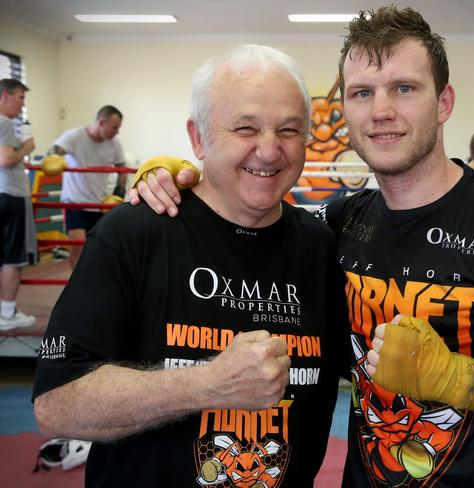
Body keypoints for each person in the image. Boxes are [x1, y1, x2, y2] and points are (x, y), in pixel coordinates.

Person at [131, 7, 474, 486]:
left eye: (404, 88)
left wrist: (464, 381)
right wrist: (187, 180)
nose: (381, 110)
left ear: (443, 102)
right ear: (346, 110)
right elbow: (254, 222)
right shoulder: (338, 222)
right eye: (363, 92)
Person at [32, 45, 348, 487]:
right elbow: (56, 406)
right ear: (198, 138)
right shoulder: (135, 232)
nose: (270, 150)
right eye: (245, 127)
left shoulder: (322, 248)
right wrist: (210, 384)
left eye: (289, 130)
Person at [48, 105, 128, 269]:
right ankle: (78, 288)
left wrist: (118, 193)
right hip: (75, 203)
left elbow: (122, 168)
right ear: (101, 122)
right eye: (115, 127)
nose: (117, 131)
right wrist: (54, 158)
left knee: (100, 248)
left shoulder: (114, 143)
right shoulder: (75, 137)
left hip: (100, 205)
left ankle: (95, 285)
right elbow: (53, 151)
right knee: (78, 247)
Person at [0, 78, 37, 330]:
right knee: (12, 257)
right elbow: (6, 159)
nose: (22, 104)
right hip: (10, 195)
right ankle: (7, 315)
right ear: (5, 96)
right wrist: (26, 147)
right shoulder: (3, 121)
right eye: (20, 98)